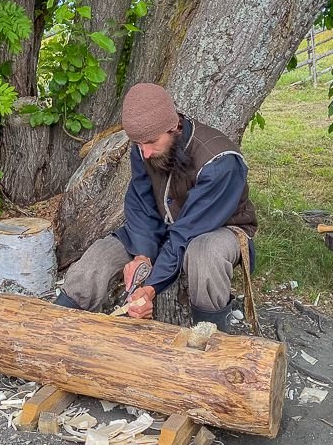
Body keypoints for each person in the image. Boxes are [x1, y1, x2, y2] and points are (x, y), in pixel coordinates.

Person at [55, 83, 256, 330]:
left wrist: (150, 289)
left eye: (151, 142)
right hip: (162, 227)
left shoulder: (220, 162)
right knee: (95, 261)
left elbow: (186, 232)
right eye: (139, 144)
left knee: (204, 255)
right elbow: (141, 203)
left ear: (173, 127)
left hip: (215, 229)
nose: (146, 153)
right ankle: (56, 333)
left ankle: (209, 343)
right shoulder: (143, 147)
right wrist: (142, 254)